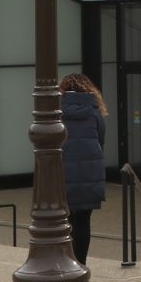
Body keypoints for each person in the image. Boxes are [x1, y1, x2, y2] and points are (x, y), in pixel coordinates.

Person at [59, 74, 107, 266]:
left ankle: (67, 263)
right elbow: (101, 141)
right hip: (90, 173)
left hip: (64, 173)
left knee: (65, 221)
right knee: (84, 221)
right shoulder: (94, 111)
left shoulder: (56, 111)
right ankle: (81, 264)